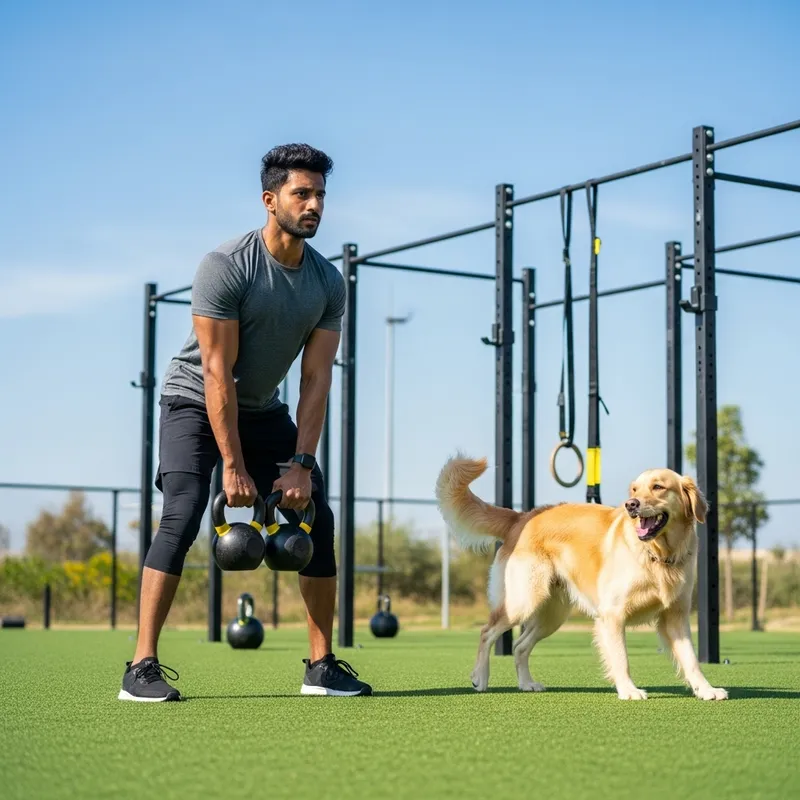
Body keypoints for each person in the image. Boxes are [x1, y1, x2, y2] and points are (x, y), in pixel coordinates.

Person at [119, 143, 372, 701]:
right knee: (183, 514)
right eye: (301, 194)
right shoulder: (227, 265)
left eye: (320, 195)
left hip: (261, 408)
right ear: (270, 199)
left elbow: (316, 381)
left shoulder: (328, 283)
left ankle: (321, 665)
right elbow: (215, 373)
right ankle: (140, 667)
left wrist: (301, 466)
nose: (314, 205)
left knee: (318, 514)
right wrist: (232, 467)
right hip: (193, 400)